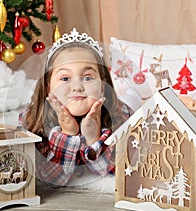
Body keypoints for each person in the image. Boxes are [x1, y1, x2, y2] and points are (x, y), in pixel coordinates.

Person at [22, 28, 134, 186]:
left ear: (103, 86)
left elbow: (122, 174)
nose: (77, 87)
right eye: (65, 78)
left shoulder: (123, 115)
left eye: (88, 77)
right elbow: (47, 180)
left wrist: (93, 139)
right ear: (48, 87)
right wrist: (68, 135)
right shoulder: (32, 118)